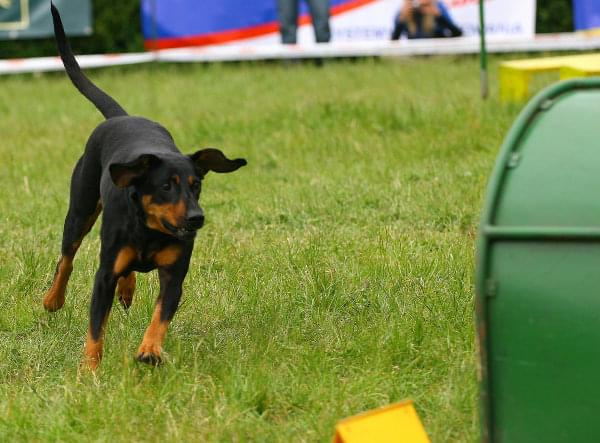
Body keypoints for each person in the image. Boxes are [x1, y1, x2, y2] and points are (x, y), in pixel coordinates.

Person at [391, 0, 463, 40]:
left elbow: (457, 33)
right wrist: (401, 19)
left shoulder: (438, 6)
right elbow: (394, 40)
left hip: (438, 52)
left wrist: (438, 15)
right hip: (415, 54)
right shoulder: (406, 10)